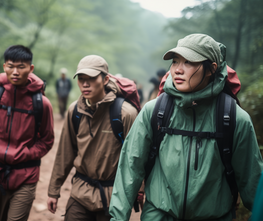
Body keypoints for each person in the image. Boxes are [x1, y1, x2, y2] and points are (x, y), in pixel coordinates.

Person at [109, 34, 263, 220]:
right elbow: (130, 168)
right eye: (175, 61)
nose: (177, 70)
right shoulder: (155, 111)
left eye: (188, 62)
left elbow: (252, 182)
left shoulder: (234, 119)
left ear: (211, 69)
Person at [0, 45, 54, 221]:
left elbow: (47, 140)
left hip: (26, 175)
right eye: (11, 65)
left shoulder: (41, 104)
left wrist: (27, 153)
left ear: (31, 69)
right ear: (4, 66)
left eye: (21, 67)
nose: (15, 71)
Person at [47, 55, 138, 221]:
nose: (85, 84)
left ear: (105, 79)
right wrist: (54, 190)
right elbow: (65, 154)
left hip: (113, 196)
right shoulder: (74, 111)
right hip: (80, 192)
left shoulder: (126, 113)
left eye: (91, 78)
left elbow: (136, 158)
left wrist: (140, 191)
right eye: (81, 79)